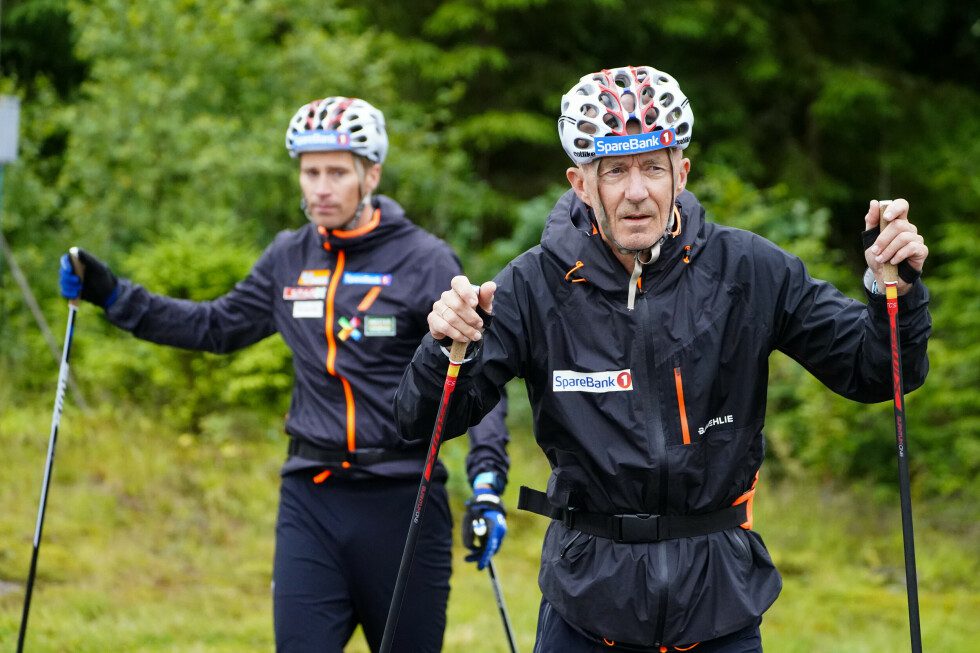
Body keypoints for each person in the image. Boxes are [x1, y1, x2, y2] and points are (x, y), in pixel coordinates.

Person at [394, 66, 931, 652]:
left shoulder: (749, 269)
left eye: (653, 166)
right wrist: (447, 348)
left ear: (682, 172)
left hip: (719, 603)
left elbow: (877, 371)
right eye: (615, 170)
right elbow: (424, 422)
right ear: (580, 183)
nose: (636, 191)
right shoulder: (534, 285)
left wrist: (892, 293)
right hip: (587, 607)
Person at [58, 96, 511, 652]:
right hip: (311, 497)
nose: (320, 187)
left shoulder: (424, 258)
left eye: (336, 172)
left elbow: (474, 378)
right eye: (309, 170)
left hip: (401, 499)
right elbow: (214, 327)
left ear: (371, 174)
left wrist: (487, 484)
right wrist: (113, 295)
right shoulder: (288, 257)